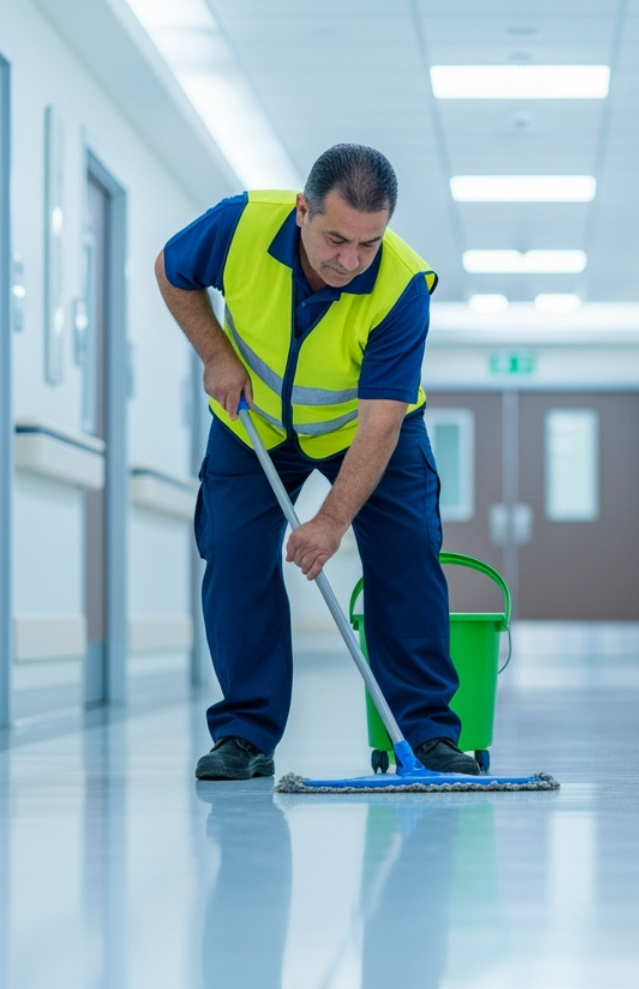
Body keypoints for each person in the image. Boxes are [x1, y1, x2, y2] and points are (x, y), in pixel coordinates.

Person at [155, 143, 476, 780]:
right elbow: (172, 269)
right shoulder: (241, 224)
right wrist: (216, 354)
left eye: (367, 244)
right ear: (302, 210)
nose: (350, 261)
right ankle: (245, 736)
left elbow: (380, 421)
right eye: (336, 239)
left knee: (407, 556)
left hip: (365, 432)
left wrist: (329, 522)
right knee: (235, 557)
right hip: (253, 424)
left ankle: (426, 735)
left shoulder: (403, 286)